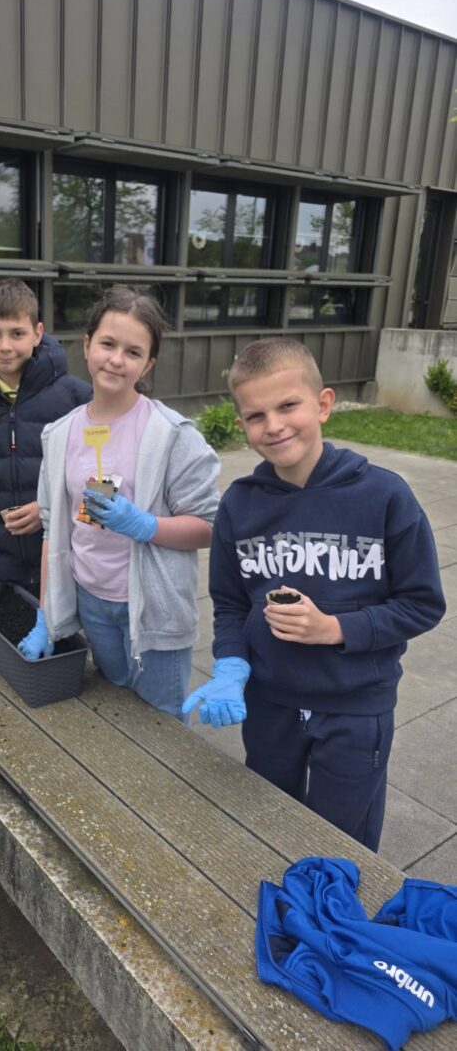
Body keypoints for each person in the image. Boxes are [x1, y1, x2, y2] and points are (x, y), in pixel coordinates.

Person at [183, 337, 446, 851]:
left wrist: (335, 629)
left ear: (323, 404)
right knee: (272, 827)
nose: (274, 425)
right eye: (256, 416)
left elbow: (422, 603)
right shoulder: (239, 504)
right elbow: (231, 602)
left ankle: (340, 902)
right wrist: (231, 665)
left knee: (341, 844)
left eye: (288, 406)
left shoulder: (384, 496)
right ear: (241, 425)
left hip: (355, 708)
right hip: (269, 702)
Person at [18, 287, 220, 719]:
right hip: (90, 601)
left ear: (148, 364)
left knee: (161, 720)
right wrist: (46, 614)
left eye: (133, 352)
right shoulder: (59, 434)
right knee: (116, 710)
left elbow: (209, 526)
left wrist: (146, 525)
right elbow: (52, 528)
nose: (115, 359)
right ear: (87, 345)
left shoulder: (172, 435)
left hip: (153, 610)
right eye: (107, 344)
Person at [0, 278, 91, 595]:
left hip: (71, 563)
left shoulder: (78, 398)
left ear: (37, 333)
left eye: (17, 333)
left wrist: (48, 511)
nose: (4, 346)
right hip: (4, 565)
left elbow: (103, 481)